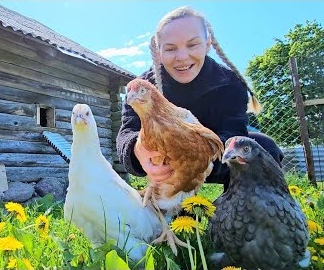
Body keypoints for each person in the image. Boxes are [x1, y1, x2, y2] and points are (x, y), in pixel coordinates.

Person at [116, 6, 284, 191]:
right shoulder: (142, 88)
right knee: (179, 211)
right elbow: (127, 131)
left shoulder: (229, 83)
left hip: (215, 158)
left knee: (263, 146)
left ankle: (243, 210)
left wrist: (196, 155)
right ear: (159, 52)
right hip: (168, 162)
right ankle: (179, 213)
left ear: (208, 44)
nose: (182, 57)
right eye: (170, 48)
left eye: (192, 45)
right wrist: (137, 151)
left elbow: (234, 132)